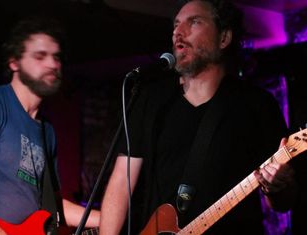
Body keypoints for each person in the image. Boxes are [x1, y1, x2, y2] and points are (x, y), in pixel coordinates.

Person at [99, 0, 297, 234]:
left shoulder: (257, 105)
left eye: (194, 22)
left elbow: (284, 203)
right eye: (176, 25)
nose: (178, 32)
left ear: (224, 38)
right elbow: (121, 183)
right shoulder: (151, 99)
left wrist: (276, 186)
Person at [0, 17, 99, 234]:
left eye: (56, 57)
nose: (52, 64)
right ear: (14, 62)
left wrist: (111, 217)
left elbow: (53, 208)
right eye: (40, 56)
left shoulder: (47, 132)